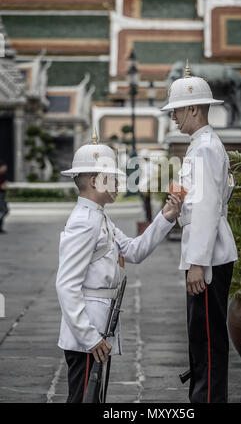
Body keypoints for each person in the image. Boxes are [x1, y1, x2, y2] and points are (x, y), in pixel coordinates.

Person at [56, 131, 182, 403]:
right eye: (112, 178)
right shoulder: (84, 222)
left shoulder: (99, 218)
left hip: (99, 329)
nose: (117, 183)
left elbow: (134, 251)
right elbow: (66, 285)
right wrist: (90, 337)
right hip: (87, 334)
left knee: (93, 398)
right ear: (94, 180)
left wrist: (166, 217)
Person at [161, 61, 238, 403]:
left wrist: (196, 263)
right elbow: (226, 189)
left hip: (206, 257)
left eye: (176, 111)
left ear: (193, 108)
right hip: (210, 251)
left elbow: (206, 209)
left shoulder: (204, 148)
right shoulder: (204, 144)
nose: (173, 118)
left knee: (206, 338)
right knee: (204, 337)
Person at [0, 160, 8, 234]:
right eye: (4, 167)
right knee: (3, 210)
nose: (5, 168)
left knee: (4, 210)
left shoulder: (3, 175)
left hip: (2, 195)